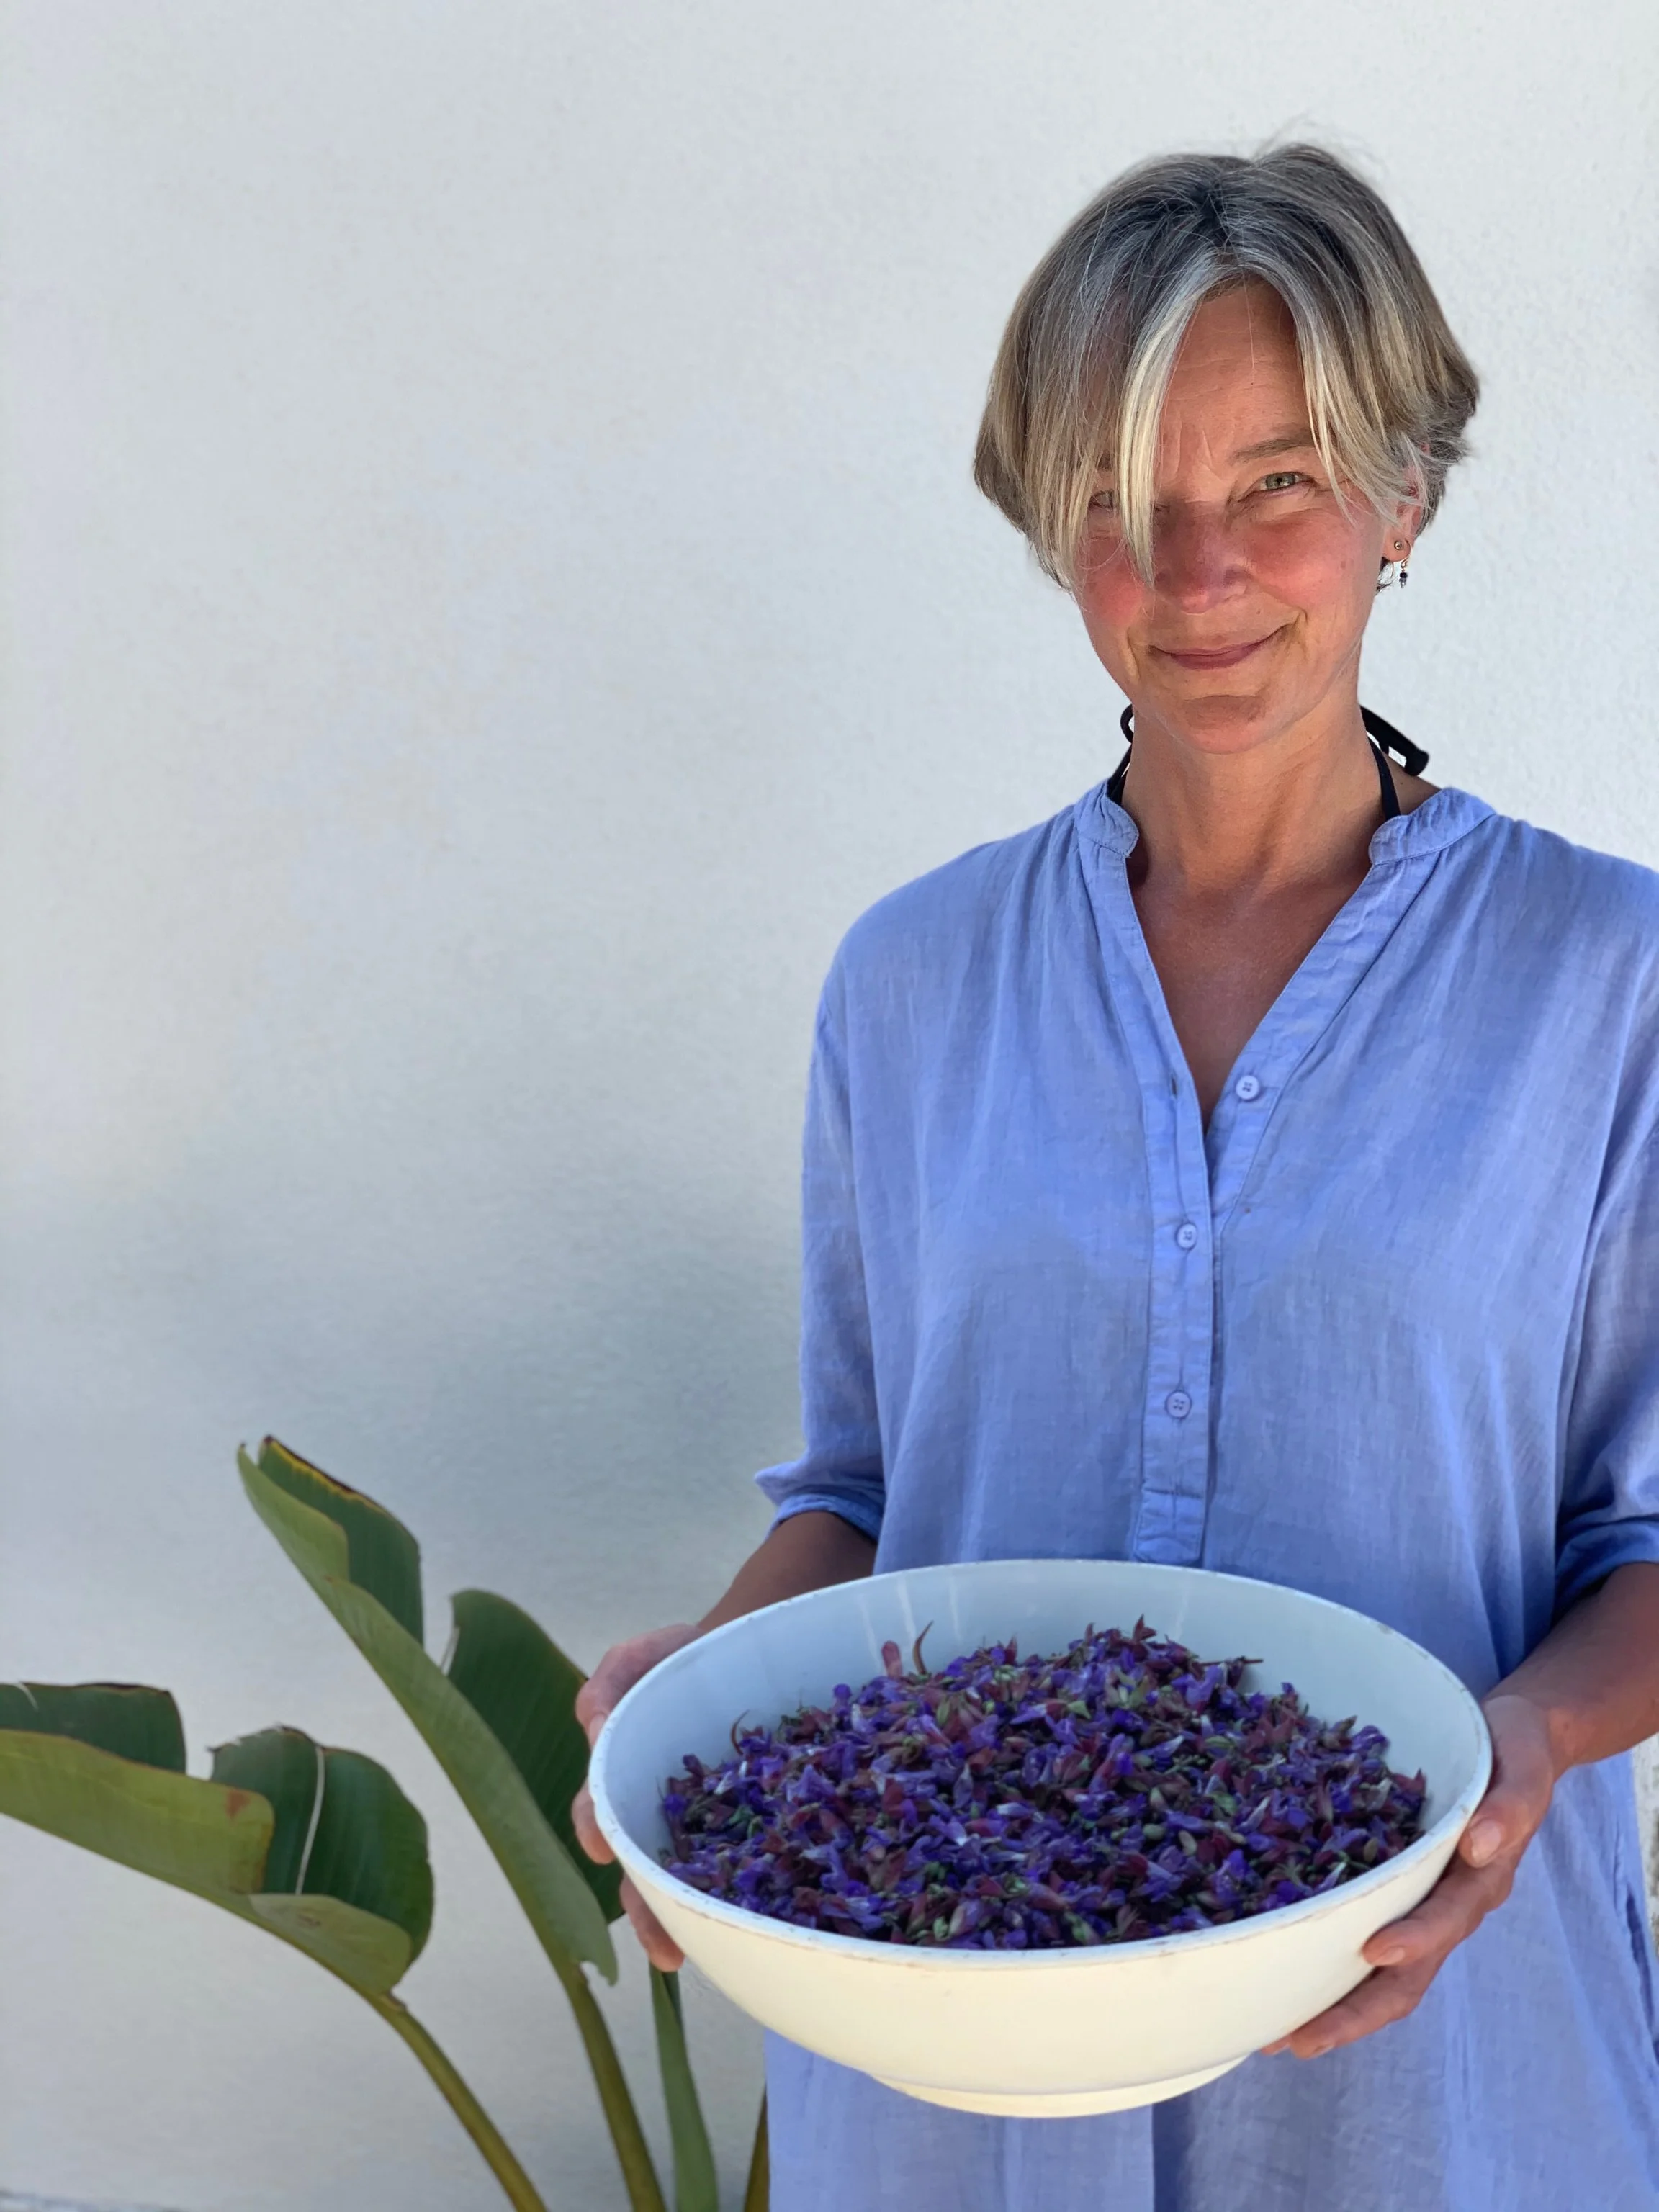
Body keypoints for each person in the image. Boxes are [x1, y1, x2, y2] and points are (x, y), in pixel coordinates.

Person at [574, 143, 1659, 2211]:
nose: (1198, 577)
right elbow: (865, 1492)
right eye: (1118, 508)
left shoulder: (1610, 981)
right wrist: (693, 1706)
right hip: (949, 2061)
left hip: (1431, 2070)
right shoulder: (912, 979)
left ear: (1404, 500)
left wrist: (1518, 1745)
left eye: (1277, 484)